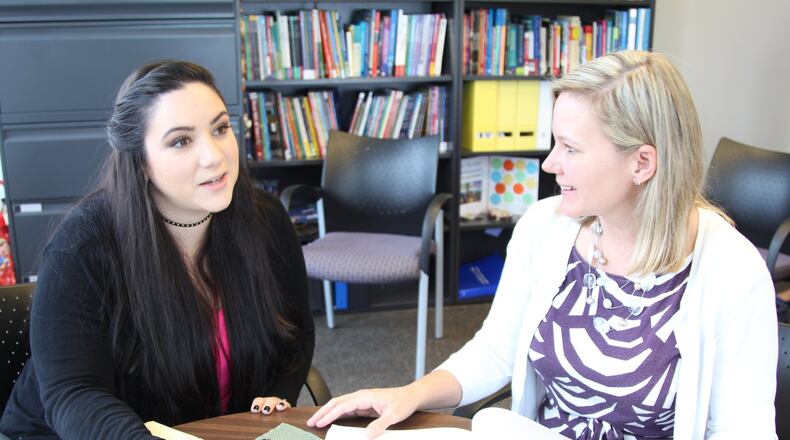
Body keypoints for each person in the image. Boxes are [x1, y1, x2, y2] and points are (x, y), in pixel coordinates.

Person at [307, 50, 778, 439]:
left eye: (571, 148)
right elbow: (495, 349)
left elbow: (742, 431)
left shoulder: (730, 270)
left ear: (642, 163)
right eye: (554, 143)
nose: (550, 164)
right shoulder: (544, 227)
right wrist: (411, 393)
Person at [0, 61, 315, 438]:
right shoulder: (82, 249)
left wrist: (273, 405)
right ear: (141, 162)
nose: (214, 156)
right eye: (181, 141)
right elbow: (75, 394)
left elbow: (295, 335)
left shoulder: (264, 220)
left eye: (220, 128)